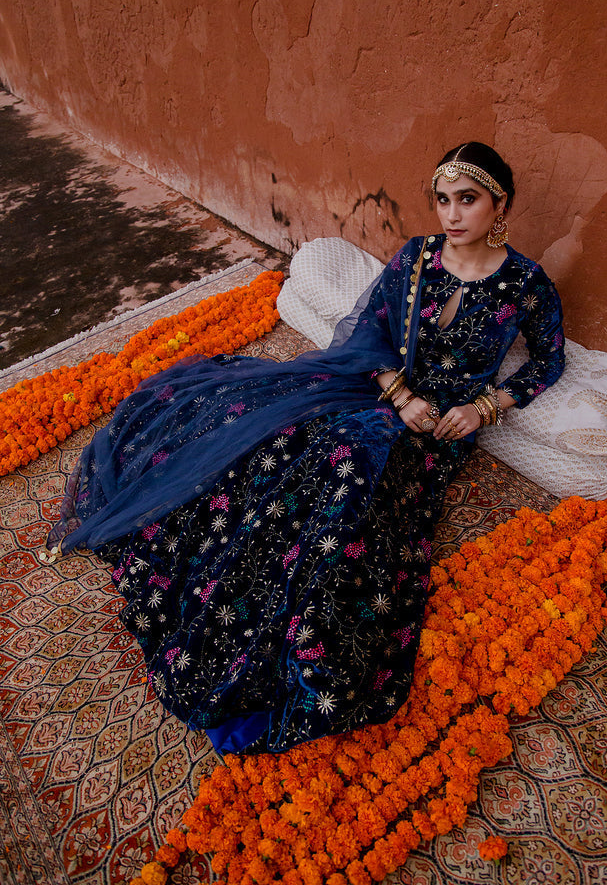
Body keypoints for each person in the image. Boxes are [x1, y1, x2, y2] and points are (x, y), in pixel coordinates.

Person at [47, 142, 564, 754]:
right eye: (443, 200)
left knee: (349, 479)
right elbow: (372, 329)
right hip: (380, 394)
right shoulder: (418, 257)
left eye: (468, 200)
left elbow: (548, 361)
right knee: (278, 442)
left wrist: (484, 407)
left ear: (500, 204)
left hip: (439, 432)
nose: (452, 215)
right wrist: (399, 395)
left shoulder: (526, 284)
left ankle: (293, 642)